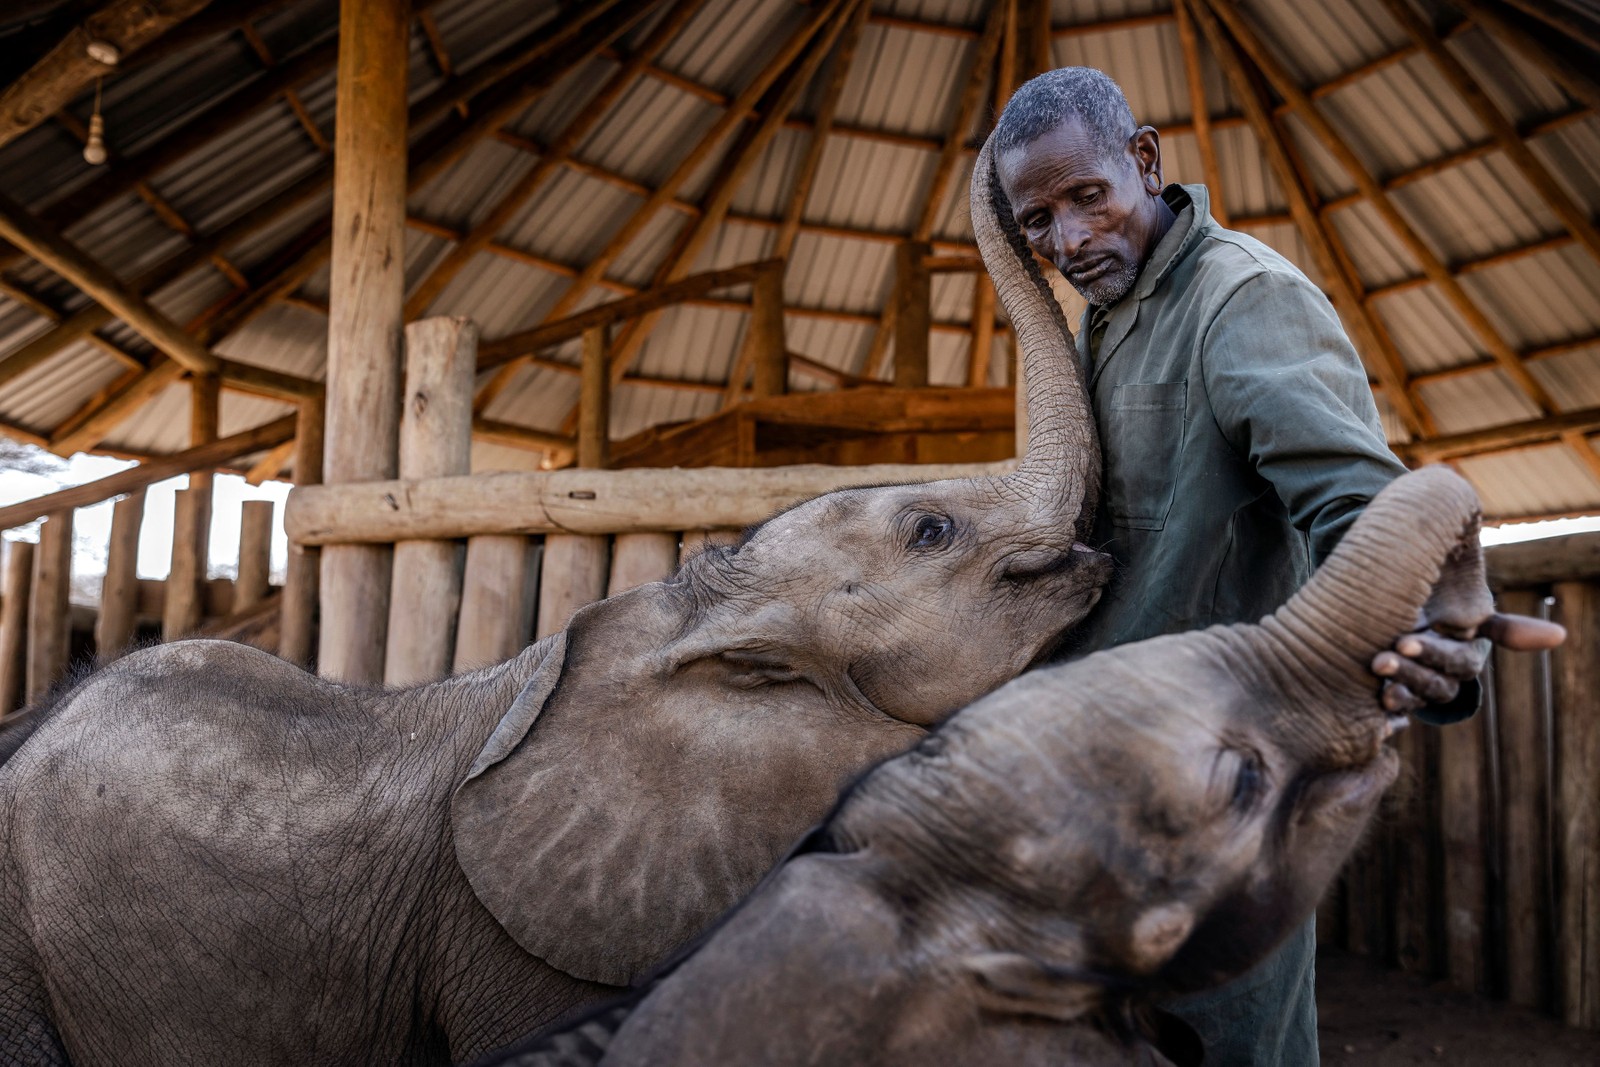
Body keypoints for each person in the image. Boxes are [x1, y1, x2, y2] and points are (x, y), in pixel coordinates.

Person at [989, 67, 1561, 1065]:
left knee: (1221, 1038)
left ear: (1145, 160)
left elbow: (1357, 508)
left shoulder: (1244, 299)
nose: (1068, 241)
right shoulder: (1105, 313)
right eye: (1035, 219)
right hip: (1103, 775)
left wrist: (1422, 629)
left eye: (1086, 197)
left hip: (1222, 796)